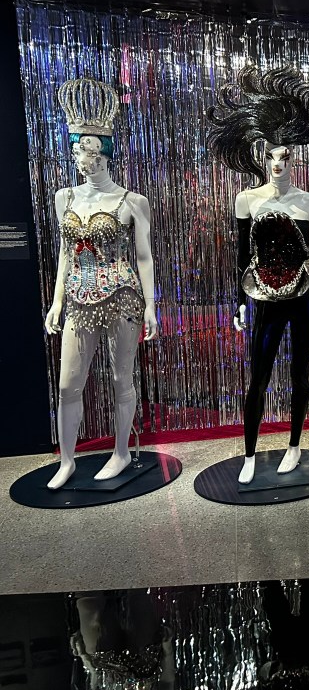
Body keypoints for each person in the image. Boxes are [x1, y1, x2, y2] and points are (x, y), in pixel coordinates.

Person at [207, 66, 309, 484]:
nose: (278, 163)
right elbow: (241, 254)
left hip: (305, 296)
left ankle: (294, 446)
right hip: (263, 295)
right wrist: (237, 302)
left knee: (300, 373)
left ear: (294, 158)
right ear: (262, 157)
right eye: (271, 156)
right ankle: (249, 453)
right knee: (259, 376)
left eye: (285, 157)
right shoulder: (246, 200)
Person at [44, 77, 159, 490]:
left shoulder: (132, 201)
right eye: (77, 148)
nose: (82, 156)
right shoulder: (65, 198)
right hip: (78, 297)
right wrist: (57, 301)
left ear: (105, 151)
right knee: (68, 384)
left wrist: (151, 304)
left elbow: (144, 257)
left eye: (89, 149)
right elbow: (65, 253)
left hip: (122, 296)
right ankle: (67, 460)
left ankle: (122, 451)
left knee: (120, 379)